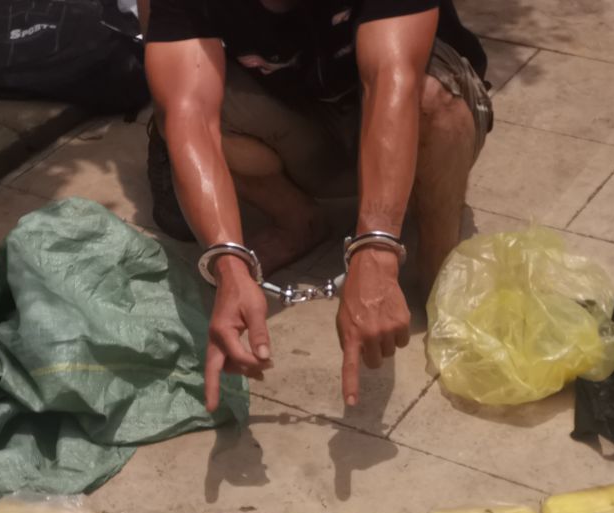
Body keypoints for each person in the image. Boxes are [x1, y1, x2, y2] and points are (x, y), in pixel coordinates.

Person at [142, 0, 492, 412]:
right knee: (174, 111)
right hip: (307, 119)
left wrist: (375, 251)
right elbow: (191, 117)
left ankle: (438, 273)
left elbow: (392, 80)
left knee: (436, 101)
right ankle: (298, 222)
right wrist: (228, 264)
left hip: (411, 117)